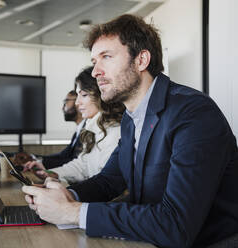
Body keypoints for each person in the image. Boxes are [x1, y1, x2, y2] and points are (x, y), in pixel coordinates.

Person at [22, 14, 238, 248]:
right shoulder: (131, 118)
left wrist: (74, 213)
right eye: (94, 61)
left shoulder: (193, 113)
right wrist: (67, 195)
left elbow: (176, 225)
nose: (95, 72)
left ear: (141, 60)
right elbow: (109, 181)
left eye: (106, 57)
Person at [24, 67, 124, 184]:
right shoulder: (93, 129)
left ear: (101, 94)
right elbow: (82, 166)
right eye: (77, 95)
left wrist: (70, 194)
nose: (77, 103)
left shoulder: (116, 133)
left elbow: (106, 185)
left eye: (84, 95)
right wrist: (54, 173)